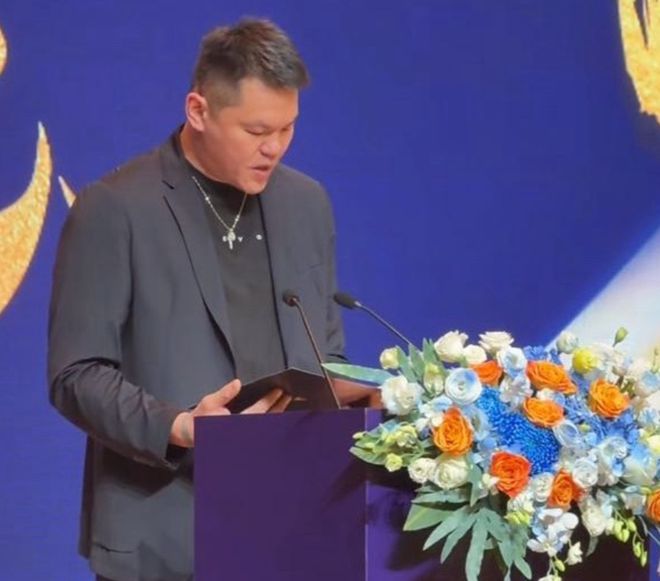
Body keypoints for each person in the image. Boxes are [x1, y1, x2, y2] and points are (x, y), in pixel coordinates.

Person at [48, 19, 352, 581]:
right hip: (166, 535)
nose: (274, 148)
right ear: (198, 110)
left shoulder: (307, 203)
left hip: (292, 528)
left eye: (287, 128)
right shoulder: (114, 209)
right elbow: (76, 374)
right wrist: (183, 427)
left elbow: (325, 351)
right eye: (256, 130)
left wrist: (362, 394)